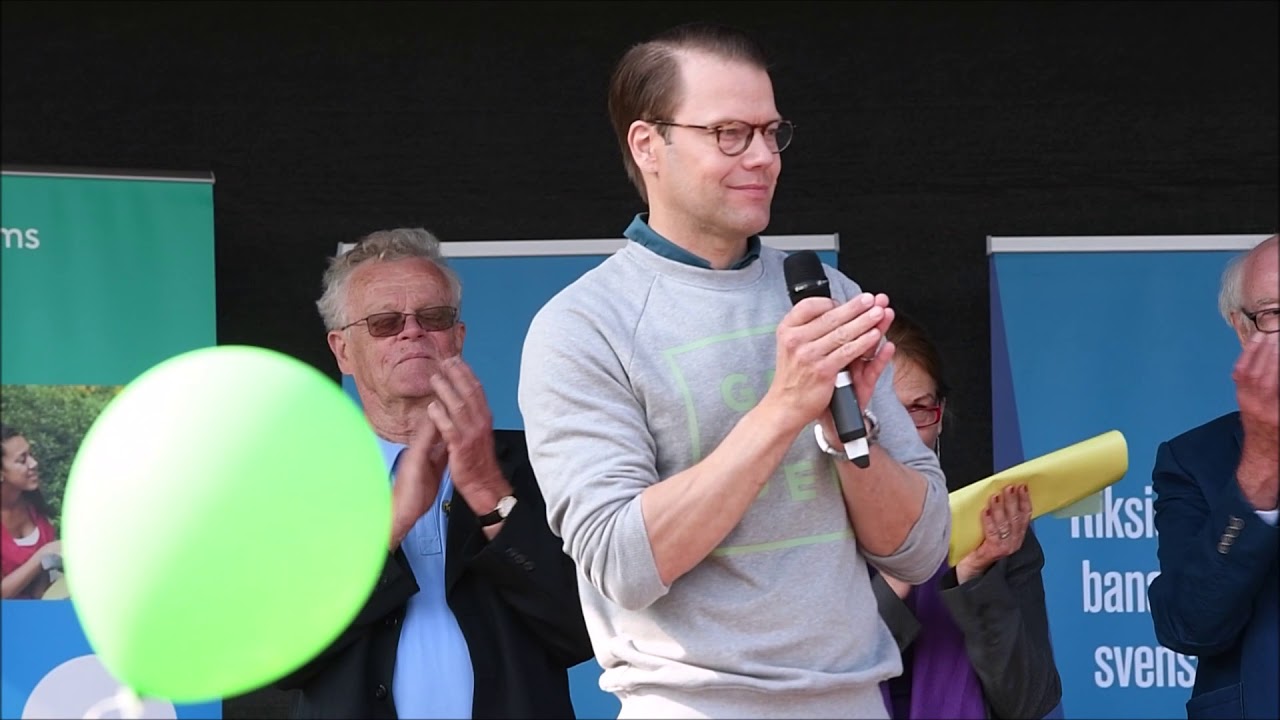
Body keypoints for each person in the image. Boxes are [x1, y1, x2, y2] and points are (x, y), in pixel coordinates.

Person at [518, 23, 950, 719]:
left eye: (771, 133)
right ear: (647, 144)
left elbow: (921, 550)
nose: (762, 157)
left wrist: (848, 435)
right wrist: (782, 410)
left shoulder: (824, 292)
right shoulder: (584, 326)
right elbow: (623, 564)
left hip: (853, 698)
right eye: (729, 134)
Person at [275, 228, 592, 719]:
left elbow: (583, 632)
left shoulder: (540, 459)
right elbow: (282, 655)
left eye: (434, 317)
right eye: (384, 322)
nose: (412, 332)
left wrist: (489, 494)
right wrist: (392, 525)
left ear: (457, 338)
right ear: (342, 351)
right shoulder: (297, 480)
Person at [870, 314, 1061, 719]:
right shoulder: (818, 532)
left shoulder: (989, 523)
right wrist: (906, 568)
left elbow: (1029, 702)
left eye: (919, 409)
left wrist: (975, 578)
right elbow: (815, 676)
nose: (904, 433)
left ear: (940, 415)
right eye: (885, 412)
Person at [1148, 234, 1279, 720]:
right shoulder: (1192, 459)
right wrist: (1261, 465)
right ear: (1243, 329)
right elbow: (1190, 627)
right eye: (1275, 312)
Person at [1, 423, 62, 600]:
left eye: (30, 454)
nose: (34, 463)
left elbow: (41, 585)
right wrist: (41, 555)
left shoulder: (35, 506)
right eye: (22, 460)